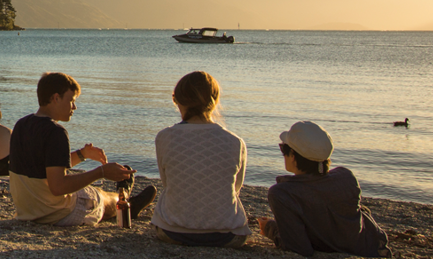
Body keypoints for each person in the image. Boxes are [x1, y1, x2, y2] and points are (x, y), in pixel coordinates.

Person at [8, 72, 155, 226]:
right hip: (54, 213)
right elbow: (58, 187)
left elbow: (44, 166)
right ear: (56, 98)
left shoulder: (21, 125)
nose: (74, 107)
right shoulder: (56, 132)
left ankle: (124, 198)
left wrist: (82, 154)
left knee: (86, 192)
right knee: (99, 197)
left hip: (27, 210)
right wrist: (101, 172)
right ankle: (125, 201)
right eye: (71, 101)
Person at [257, 121, 392, 257]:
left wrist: (270, 228)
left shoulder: (282, 193)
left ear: (292, 155)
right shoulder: (346, 177)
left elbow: (298, 248)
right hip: (368, 245)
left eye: (283, 150)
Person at [151, 71, 249, 248]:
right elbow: (235, 189)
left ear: (177, 101)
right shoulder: (235, 142)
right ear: (215, 101)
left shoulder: (165, 137)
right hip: (228, 235)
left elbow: (168, 184)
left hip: (172, 231)